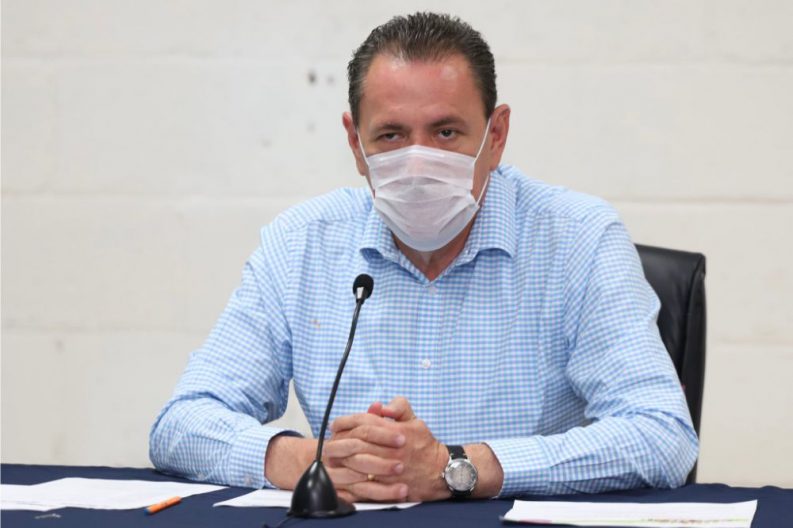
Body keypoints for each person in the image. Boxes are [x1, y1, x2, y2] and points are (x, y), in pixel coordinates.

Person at [150, 12, 698, 503]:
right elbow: (181, 424)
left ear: (496, 135)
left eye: (446, 132)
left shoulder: (577, 239)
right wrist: (310, 461)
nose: (417, 164)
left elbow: (662, 436)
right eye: (391, 135)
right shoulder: (301, 244)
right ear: (355, 143)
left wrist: (455, 467)